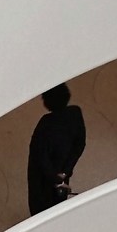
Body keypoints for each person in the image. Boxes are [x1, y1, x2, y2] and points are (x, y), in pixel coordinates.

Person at [26, 82, 86, 215]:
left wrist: (55, 179)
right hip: (62, 169)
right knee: (58, 202)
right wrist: (64, 172)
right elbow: (79, 145)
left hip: (43, 177)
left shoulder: (45, 124)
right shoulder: (75, 112)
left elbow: (40, 156)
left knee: (39, 205)